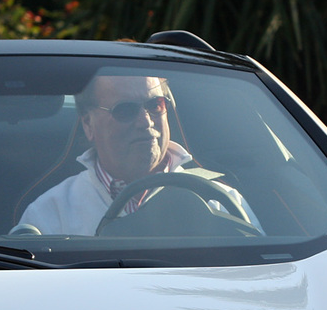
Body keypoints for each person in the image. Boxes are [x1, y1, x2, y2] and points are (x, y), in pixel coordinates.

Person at [17, 73, 260, 235]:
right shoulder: (50, 215)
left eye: (155, 105)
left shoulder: (221, 200)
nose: (145, 122)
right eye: (125, 110)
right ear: (88, 124)